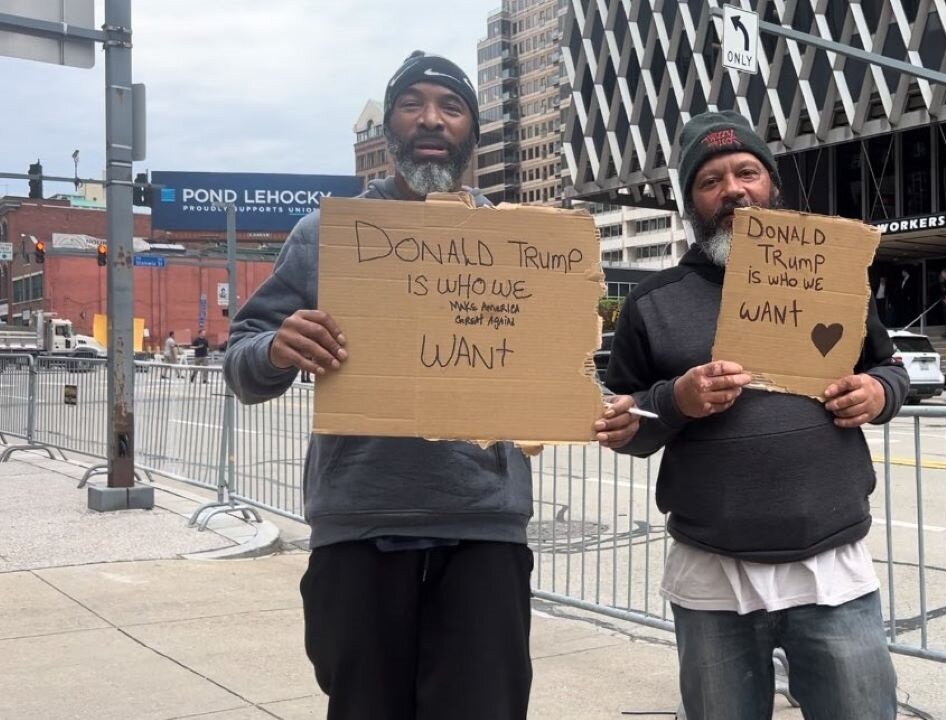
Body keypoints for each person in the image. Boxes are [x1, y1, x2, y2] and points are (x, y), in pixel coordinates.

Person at [222, 51, 638, 720]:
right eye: (413, 104)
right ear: (388, 128)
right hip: (358, 526)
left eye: (450, 106)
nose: (432, 119)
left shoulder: (519, 242)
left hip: (483, 526)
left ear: (473, 131)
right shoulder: (325, 236)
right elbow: (240, 364)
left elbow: (558, 372)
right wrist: (276, 347)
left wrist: (599, 410)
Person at [605, 110, 907, 720]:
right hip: (712, 572)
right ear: (691, 201)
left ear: (771, 185)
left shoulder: (832, 278)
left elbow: (890, 367)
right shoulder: (651, 302)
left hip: (832, 567)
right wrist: (676, 402)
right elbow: (621, 424)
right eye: (710, 180)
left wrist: (878, 394)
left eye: (747, 172)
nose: (733, 190)